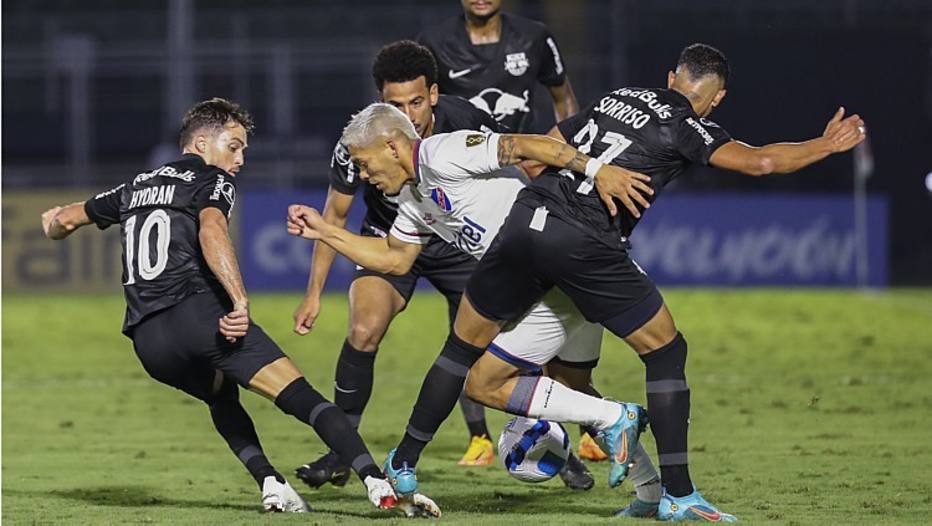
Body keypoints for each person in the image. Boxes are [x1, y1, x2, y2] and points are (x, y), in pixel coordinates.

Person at [379, 43, 866, 521]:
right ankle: (678, 494)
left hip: (525, 223)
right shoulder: (687, 126)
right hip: (584, 245)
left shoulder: (618, 96)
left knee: (466, 356)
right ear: (716, 99)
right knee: (665, 351)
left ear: (672, 77)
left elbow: (536, 156)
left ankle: (402, 463)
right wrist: (825, 145)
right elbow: (760, 161)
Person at [39, 98, 440, 518]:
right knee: (301, 396)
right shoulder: (210, 179)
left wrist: (50, 224)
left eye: (244, 149)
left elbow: (63, 221)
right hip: (199, 318)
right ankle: (378, 483)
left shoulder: (134, 187)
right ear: (200, 143)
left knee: (221, 397)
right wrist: (239, 300)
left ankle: (271, 483)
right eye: (234, 146)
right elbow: (212, 229)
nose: (240, 158)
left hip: (149, 342)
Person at [286, 102, 663, 503]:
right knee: (576, 386)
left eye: (364, 163)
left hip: (550, 274)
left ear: (392, 147)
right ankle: (653, 491)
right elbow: (394, 257)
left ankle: (407, 459)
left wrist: (595, 169)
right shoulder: (414, 198)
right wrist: (325, 231)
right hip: (558, 278)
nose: (363, 176)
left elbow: (525, 146)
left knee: (482, 382)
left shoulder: (442, 151)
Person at [291, 40, 594, 489]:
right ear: (381, 102)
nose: (408, 114)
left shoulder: (464, 119)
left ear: (433, 95)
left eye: (416, 101)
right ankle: (343, 449)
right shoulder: (360, 142)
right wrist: (314, 292)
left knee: (502, 348)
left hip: (460, 242)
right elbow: (334, 214)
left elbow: (520, 160)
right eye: (395, 104)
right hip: (392, 237)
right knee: (364, 328)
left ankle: (552, 445)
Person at [419, 0, 578, 133]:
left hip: (522, 156)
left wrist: (565, 151)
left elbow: (563, 98)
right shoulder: (433, 42)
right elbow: (414, 102)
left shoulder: (534, 36)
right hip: (461, 160)